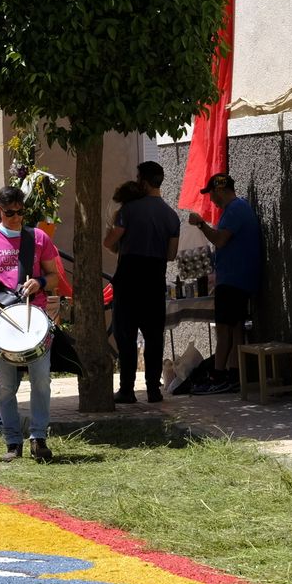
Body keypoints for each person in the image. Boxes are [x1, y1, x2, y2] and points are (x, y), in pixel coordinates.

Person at [0, 186, 66, 462]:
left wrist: (40, 282)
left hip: (34, 316)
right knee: (5, 386)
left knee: (41, 380)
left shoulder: (38, 238)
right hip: (1, 317)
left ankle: (39, 438)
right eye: (9, 213)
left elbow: (54, 277)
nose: (16, 218)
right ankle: (12, 441)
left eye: (20, 212)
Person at [103, 161, 181, 403]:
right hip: (154, 280)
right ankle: (153, 390)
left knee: (125, 336)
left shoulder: (127, 211)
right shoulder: (171, 215)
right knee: (154, 337)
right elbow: (171, 254)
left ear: (143, 182)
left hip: (128, 279)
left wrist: (117, 238)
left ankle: (127, 390)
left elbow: (109, 242)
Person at [186, 173, 261, 394]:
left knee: (223, 330)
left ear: (219, 190)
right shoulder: (239, 208)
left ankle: (218, 376)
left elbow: (220, 239)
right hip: (240, 279)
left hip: (232, 281)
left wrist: (201, 223)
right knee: (236, 328)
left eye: (210, 193)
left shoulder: (235, 209)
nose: (210, 199)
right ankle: (235, 375)